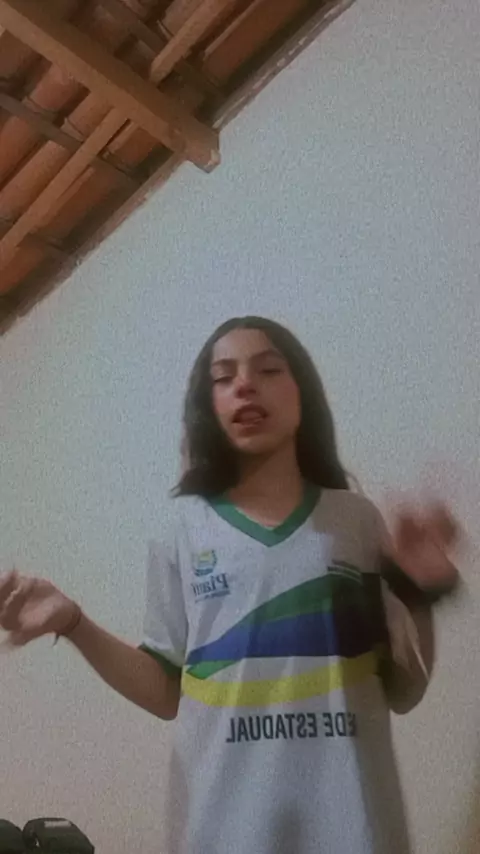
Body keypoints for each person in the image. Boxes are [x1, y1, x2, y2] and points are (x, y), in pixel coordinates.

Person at [0, 317, 460, 854]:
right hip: (223, 830)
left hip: (355, 828)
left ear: (303, 393)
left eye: (268, 369)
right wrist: (74, 623)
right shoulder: (181, 530)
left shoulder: (354, 521)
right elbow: (166, 691)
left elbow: (404, 689)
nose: (245, 384)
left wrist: (419, 593)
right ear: (209, 405)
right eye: (224, 377)